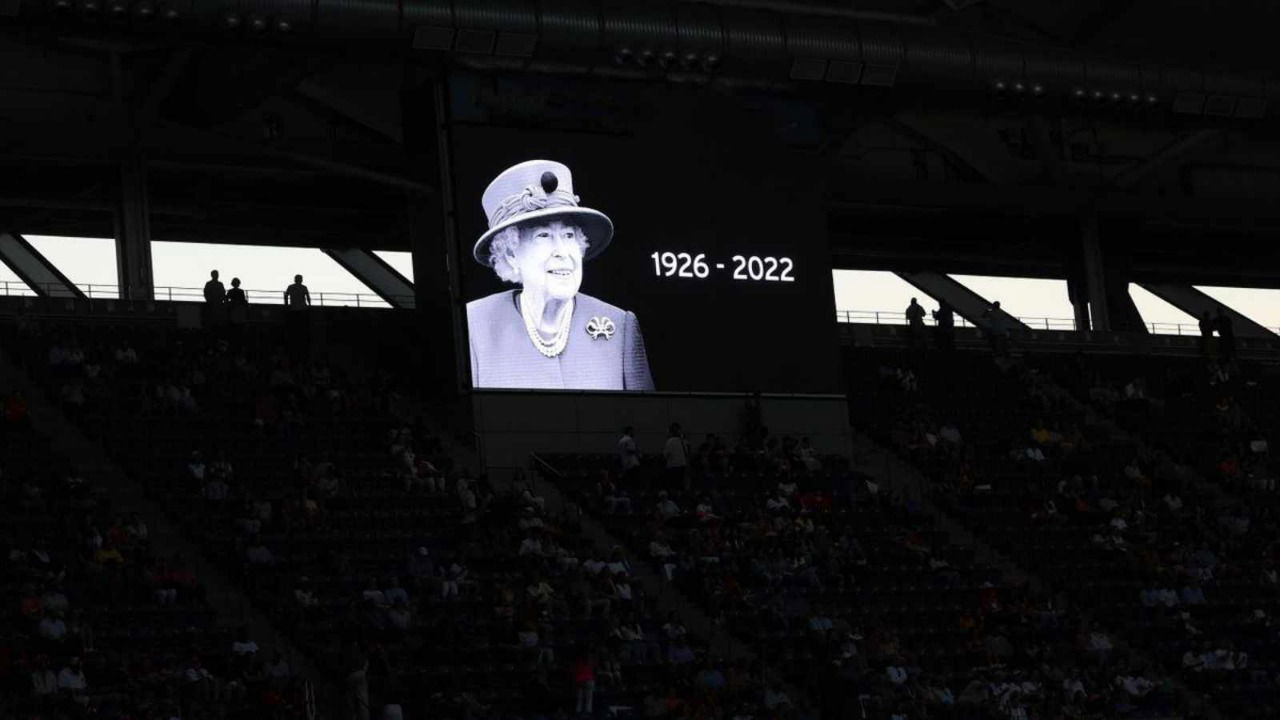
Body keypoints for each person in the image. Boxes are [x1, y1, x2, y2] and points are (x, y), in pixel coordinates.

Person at [466, 160, 654, 391]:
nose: (562, 252)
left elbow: (648, 422)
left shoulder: (619, 325)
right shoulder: (474, 325)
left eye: (568, 235)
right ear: (511, 254)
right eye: (543, 236)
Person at [285, 274, 310, 358]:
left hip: (293, 309)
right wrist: (309, 306)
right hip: (303, 309)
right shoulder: (304, 287)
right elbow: (308, 297)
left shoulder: (290, 287)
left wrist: (286, 305)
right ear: (301, 280)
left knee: (294, 328)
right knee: (302, 328)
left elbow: (286, 296)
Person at [663, 423, 689, 492]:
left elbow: (666, 455)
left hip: (672, 466)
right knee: (680, 485)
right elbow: (686, 452)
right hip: (682, 465)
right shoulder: (683, 441)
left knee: (672, 486)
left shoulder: (669, 441)